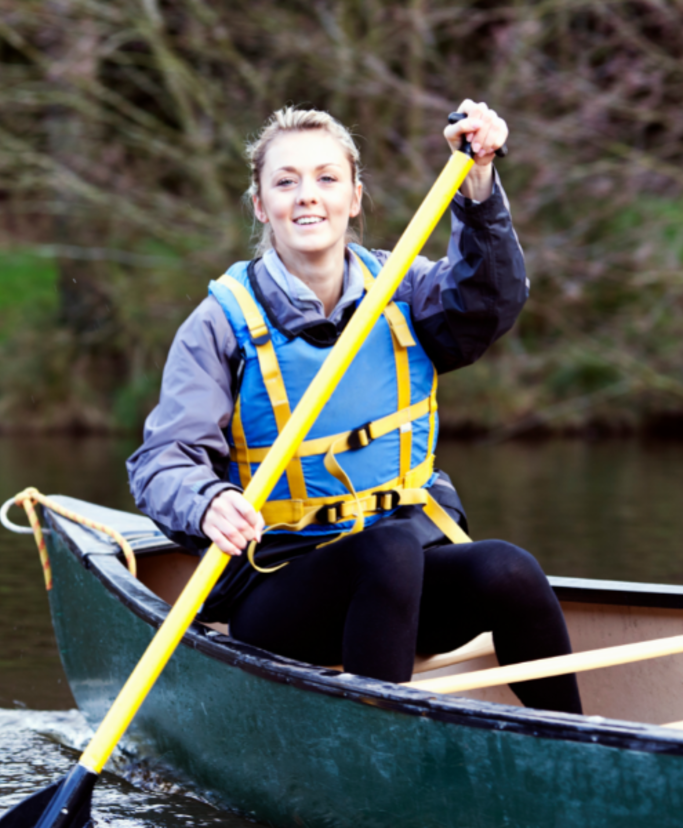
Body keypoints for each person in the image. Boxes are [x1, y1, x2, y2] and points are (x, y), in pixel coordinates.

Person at [127, 102, 582, 715]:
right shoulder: (219, 325)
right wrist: (206, 502)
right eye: (285, 182)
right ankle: (379, 752)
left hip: (409, 577)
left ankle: (576, 751)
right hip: (280, 588)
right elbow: (162, 462)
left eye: (326, 178)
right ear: (261, 205)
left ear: (355, 197)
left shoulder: (404, 289)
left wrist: (478, 184)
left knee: (508, 568)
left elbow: (488, 302)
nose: (307, 196)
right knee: (388, 550)